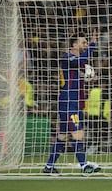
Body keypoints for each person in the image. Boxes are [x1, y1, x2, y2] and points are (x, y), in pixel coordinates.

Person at [43, 30, 101, 174]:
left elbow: (79, 73)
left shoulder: (79, 63)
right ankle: (84, 166)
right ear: (74, 44)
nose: (86, 45)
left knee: (62, 136)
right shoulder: (67, 57)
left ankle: (49, 166)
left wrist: (89, 78)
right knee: (78, 134)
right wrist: (93, 45)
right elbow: (80, 61)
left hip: (75, 102)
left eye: (87, 43)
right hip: (69, 102)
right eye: (84, 42)